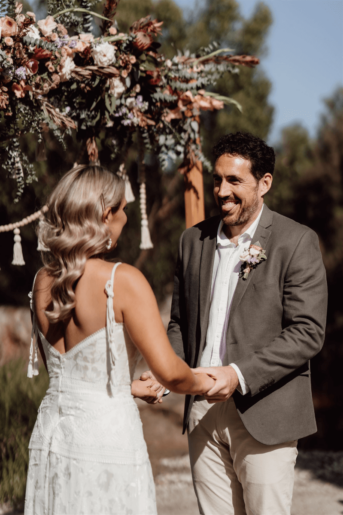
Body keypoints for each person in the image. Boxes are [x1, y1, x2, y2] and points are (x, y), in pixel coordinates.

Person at [143, 132, 328, 515]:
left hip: (266, 411)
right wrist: (166, 370)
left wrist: (236, 374)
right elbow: (180, 323)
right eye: (217, 179)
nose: (222, 191)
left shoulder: (296, 242)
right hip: (201, 412)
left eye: (234, 181)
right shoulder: (191, 241)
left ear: (264, 183)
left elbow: (307, 332)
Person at [24, 164, 214, 515]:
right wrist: (209, 380)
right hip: (107, 442)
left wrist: (128, 387)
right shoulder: (122, 280)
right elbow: (170, 372)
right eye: (123, 209)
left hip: (52, 436)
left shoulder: (41, 282)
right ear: (105, 215)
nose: (126, 217)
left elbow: (73, 380)